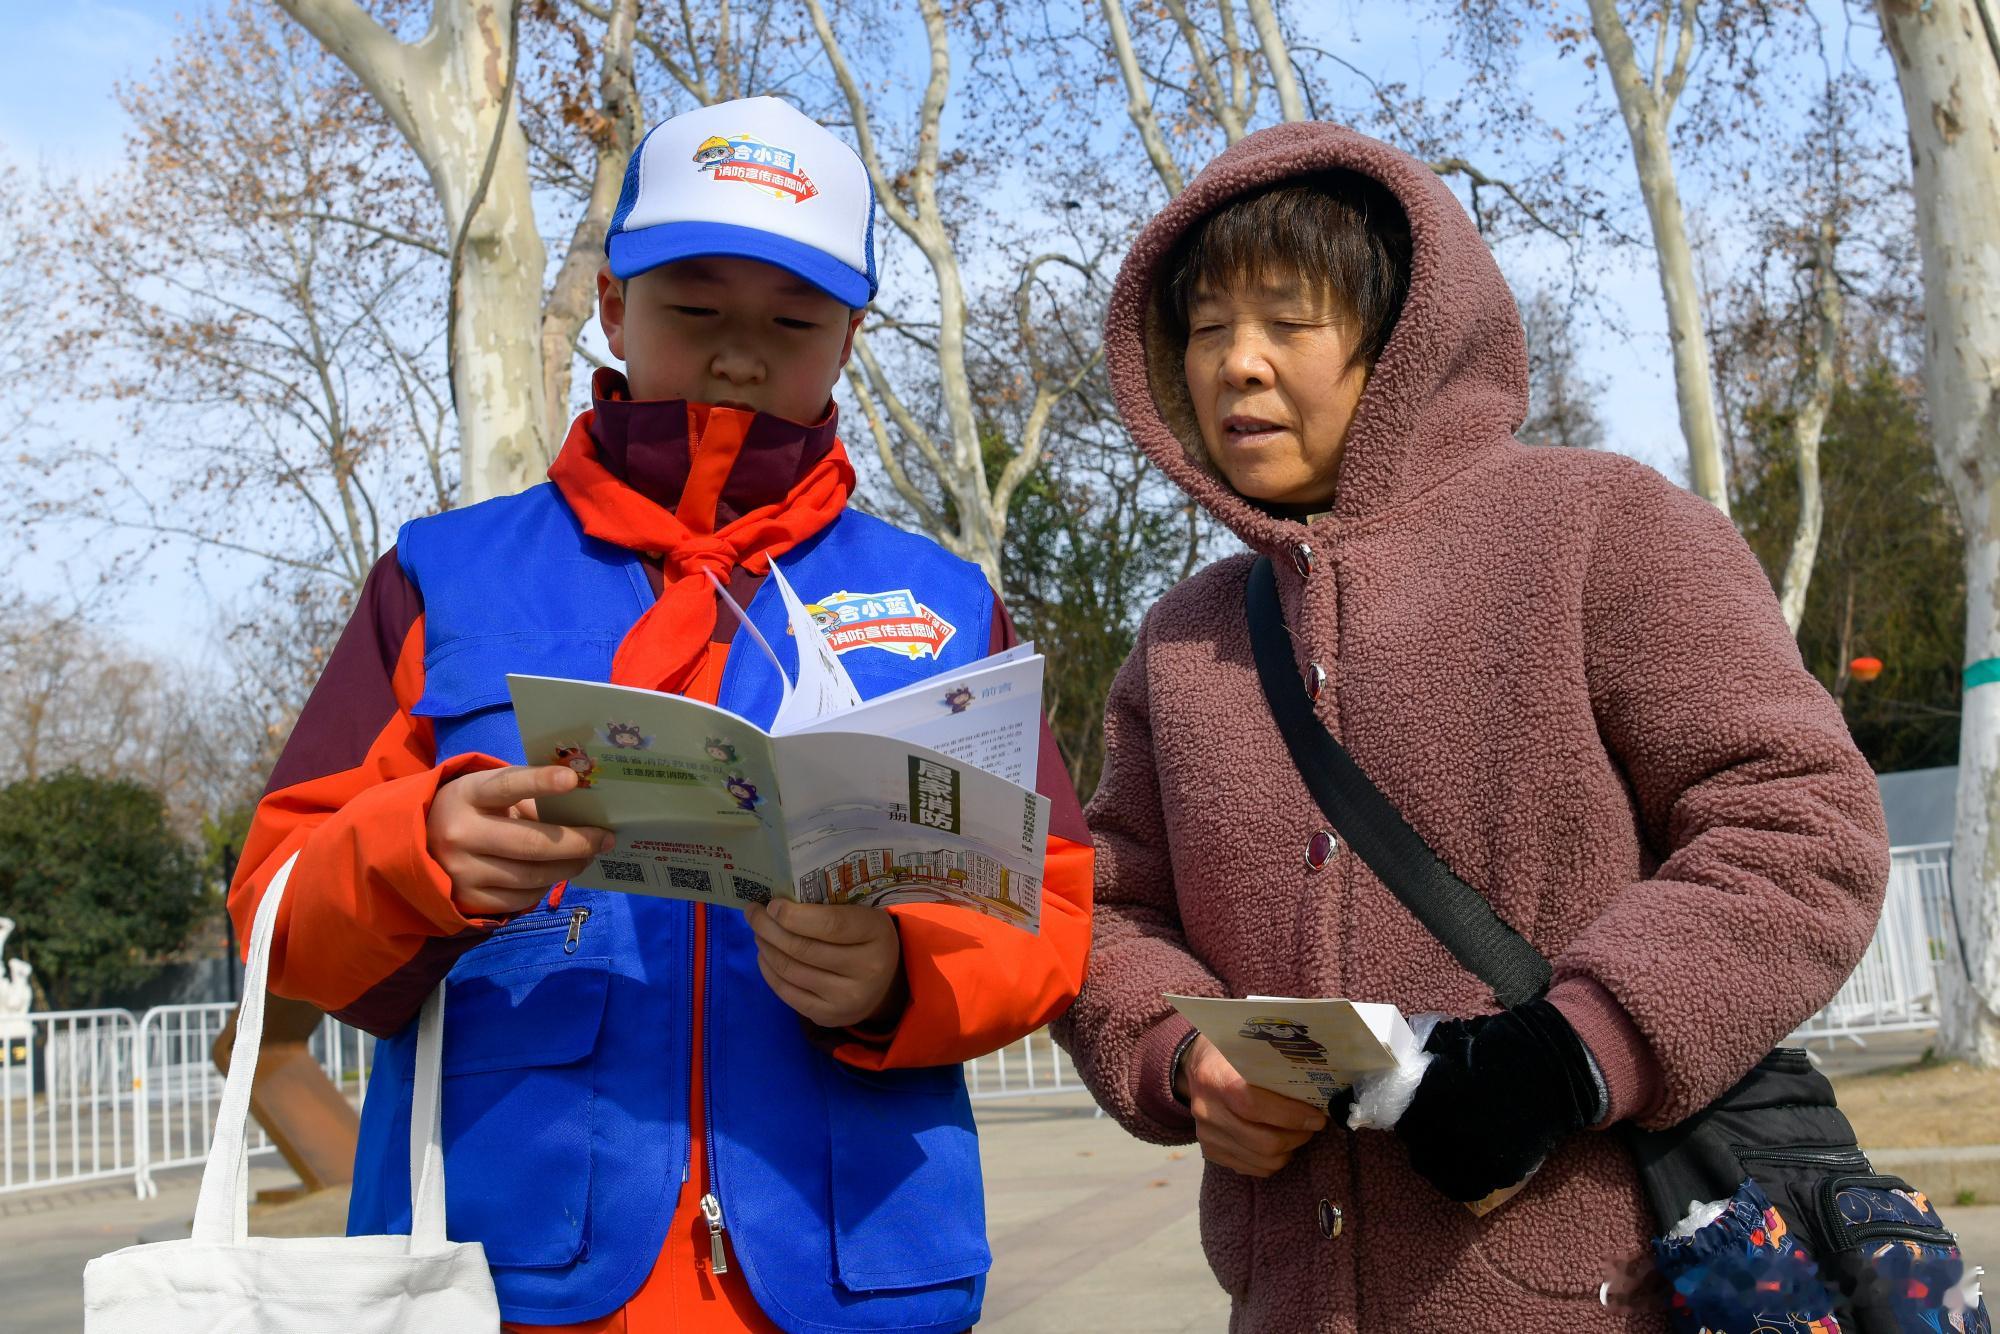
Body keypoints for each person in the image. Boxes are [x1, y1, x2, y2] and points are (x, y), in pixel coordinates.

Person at [227, 96, 1093, 1334]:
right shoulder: (443, 575)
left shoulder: (946, 606)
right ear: (613, 305)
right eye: (694, 309)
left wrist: (902, 973)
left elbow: (1050, 906)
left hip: (853, 1276)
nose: (740, 354)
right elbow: (271, 907)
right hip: (508, 1275)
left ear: (848, 338)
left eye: (792, 322)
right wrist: (415, 853)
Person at [1052, 120, 1888, 1331]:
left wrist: (1569, 1053)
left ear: (1402, 340)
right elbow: (1112, 907)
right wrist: (1177, 1057)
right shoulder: (1181, 640)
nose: (1234, 363)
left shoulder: (1600, 527)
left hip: (1610, 1295)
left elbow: (1799, 826)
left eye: (1288, 320)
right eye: (1202, 325)